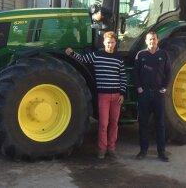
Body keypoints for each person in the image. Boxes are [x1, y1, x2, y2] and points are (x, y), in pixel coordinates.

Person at [65, 31, 126, 159]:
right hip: (103, 95)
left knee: (114, 123)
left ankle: (111, 148)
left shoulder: (119, 58)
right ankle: (102, 149)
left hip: (116, 96)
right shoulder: (97, 55)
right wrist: (71, 53)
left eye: (112, 42)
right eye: (108, 42)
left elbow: (123, 76)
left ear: (115, 43)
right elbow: (82, 59)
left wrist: (122, 93)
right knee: (103, 124)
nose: (110, 45)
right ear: (104, 42)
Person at [133, 31, 171, 162]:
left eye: (154, 39)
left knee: (160, 124)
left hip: (158, 95)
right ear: (146, 41)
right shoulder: (141, 54)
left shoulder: (164, 54)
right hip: (144, 94)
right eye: (150, 39)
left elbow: (169, 73)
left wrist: (164, 88)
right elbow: (135, 73)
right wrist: (139, 88)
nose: (152, 41)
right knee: (143, 123)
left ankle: (161, 152)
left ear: (157, 40)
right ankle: (143, 151)